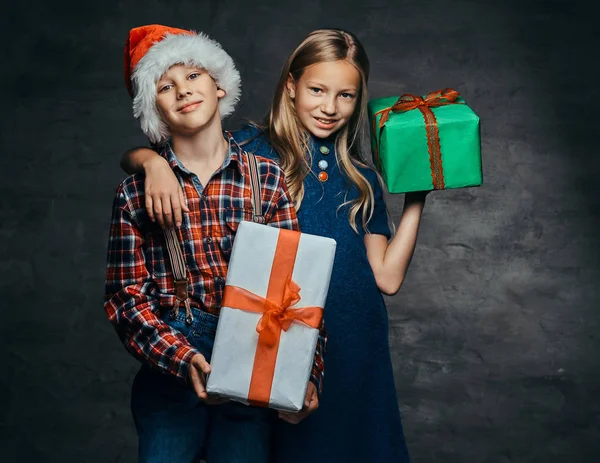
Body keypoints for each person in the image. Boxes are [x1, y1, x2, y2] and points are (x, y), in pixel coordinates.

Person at [122, 28, 427, 462]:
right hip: (278, 340)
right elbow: (181, 147)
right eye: (318, 90)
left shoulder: (364, 179)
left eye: (345, 96)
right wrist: (148, 160)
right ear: (291, 86)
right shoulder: (253, 154)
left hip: (356, 344)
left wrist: (418, 192)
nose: (329, 106)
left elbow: (388, 278)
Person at [105, 24, 325, 463]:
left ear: (219, 84)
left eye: (193, 76)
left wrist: (307, 370)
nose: (183, 91)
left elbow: (295, 287)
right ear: (155, 109)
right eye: (165, 86)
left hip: (252, 360)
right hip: (170, 364)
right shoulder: (134, 194)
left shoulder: (266, 178)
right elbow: (125, 301)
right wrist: (181, 357)